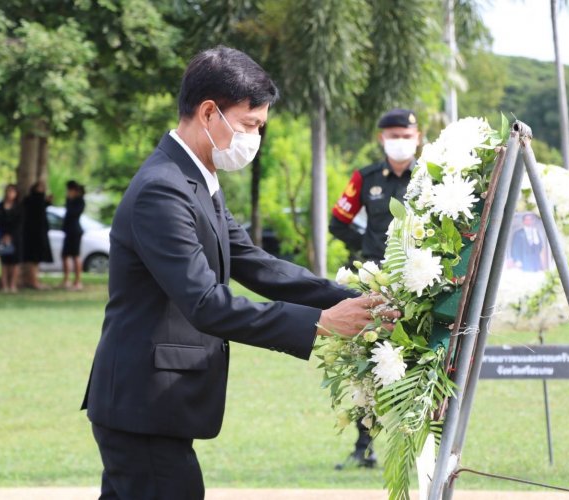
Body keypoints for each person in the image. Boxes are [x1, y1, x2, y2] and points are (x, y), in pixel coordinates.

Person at [81, 46, 399, 500]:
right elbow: (206, 303)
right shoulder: (163, 191)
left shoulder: (197, 180)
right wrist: (321, 325)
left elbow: (256, 264)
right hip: (143, 406)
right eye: (250, 125)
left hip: (150, 407)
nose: (255, 138)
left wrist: (353, 295)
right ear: (209, 112)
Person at [329, 108, 420, 469]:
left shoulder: (430, 177)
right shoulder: (365, 178)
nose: (399, 141)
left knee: (415, 360)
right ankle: (363, 446)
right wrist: (366, 249)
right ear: (381, 138)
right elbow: (339, 221)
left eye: (405, 135)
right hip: (375, 280)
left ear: (418, 136)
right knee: (369, 359)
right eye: (393, 135)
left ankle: (417, 444)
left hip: (417, 279)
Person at [22, 180, 53, 289]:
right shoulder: (35, 200)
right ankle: (33, 281)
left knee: (35, 259)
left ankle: (34, 280)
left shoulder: (35, 200)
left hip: (37, 233)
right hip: (34, 234)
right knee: (33, 259)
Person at [0, 184, 24, 293]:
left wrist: (11, 235)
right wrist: (4, 235)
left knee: (14, 263)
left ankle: (13, 284)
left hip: (16, 238)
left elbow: (19, 223)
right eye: (8, 191)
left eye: (12, 191)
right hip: (2, 237)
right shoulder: (0, 207)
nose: (10, 194)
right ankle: (4, 285)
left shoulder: (19, 207)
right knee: (4, 262)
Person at [61, 180, 86, 290]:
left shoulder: (79, 201)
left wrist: (70, 200)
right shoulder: (70, 200)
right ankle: (66, 280)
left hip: (75, 231)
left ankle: (78, 281)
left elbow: (73, 213)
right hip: (68, 231)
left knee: (75, 255)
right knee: (65, 255)